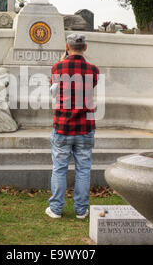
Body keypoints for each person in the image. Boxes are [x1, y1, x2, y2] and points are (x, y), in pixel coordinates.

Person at [46, 33, 99, 219]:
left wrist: (62, 62)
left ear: (67, 48)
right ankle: (81, 210)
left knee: (59, 168)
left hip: (62, 126)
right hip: (85, 127)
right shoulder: (93, 70)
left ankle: (56, 209)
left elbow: (53, 90)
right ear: (85, 47)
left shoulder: (57, 68)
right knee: (83, 169)